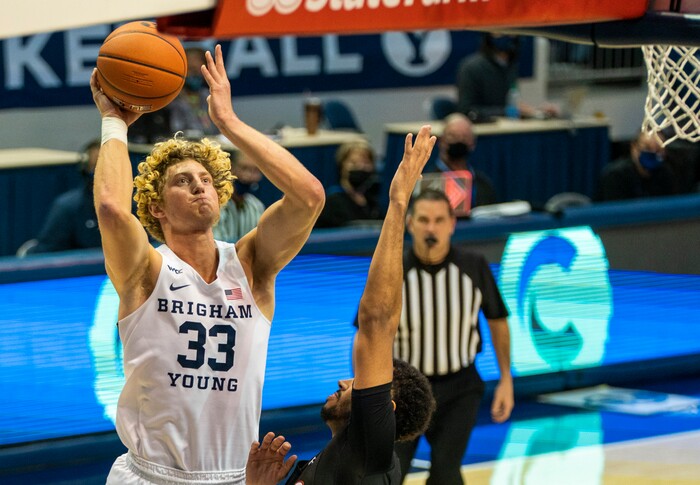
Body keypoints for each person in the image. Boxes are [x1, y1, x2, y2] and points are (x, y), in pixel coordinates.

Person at [90, 44, 325, 483]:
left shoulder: (252, 266)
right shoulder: (146, 271)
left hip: (236, 476)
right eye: (183, 181)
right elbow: (110, 208)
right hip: (151, 476)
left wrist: (229, 123)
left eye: (206, 180)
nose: (200, 187)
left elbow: (309, 196)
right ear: (156, 207)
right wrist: (114, 123)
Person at [247, 126, 439, 485]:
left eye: (359, 381)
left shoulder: (372, 453)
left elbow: (377, 319)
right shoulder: (334, 460)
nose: (343, 379)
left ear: (384, 410)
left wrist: (398, 202)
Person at [394, 188, 514, 485]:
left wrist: (506, 379)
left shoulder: (473, 266)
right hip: (404, 390)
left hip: (459, 386)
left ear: (452, 223)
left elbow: (498, 320)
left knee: (446, 473)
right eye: (423, 220)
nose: (430, 228)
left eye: (438, 220)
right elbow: (365, 334)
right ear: (410, 224)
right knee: (390, 474)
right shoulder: (392, 270)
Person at [23, 139, 102, 254]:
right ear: (85, 171)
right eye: (97, 168)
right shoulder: (68, 208)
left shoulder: (133, 206)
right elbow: (44, 256)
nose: (106, 175)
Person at [456, 33, 557, 120]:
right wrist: (507, 111)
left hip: (507, 124)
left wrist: (537, 112)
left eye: (511, 33)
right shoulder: (471, 67)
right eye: (499, 33)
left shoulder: (510, 65)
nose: (506, 36)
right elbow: (467, 110)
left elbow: (510, 101)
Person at [430, 113, 497, 208]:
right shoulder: (427, 182)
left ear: (473, 144)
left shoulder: (483, 184)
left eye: (465, 137)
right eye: (453, 136)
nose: (459, 141)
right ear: (441, 141)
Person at [314, 139, 384, 228]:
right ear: (342, 166)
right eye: (353, 163)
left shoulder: (373, 204)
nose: (360, 167)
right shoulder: (331, 203)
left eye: (366, 163)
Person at [597, 131, 679, 201]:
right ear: (634, 148)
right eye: (647, 148)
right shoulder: (615, 175)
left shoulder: (666, 174)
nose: (653, 152)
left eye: (658, 149)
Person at [167, 45, 219, 138]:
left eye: (198, 71)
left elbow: (216, 129)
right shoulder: (171, 99)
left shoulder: (209, 96)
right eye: (191, 69)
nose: (195, 75)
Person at [213, 151, 266, 242]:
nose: (249, 176)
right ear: (229, 168)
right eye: (244, 168)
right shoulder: (213, 204)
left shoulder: (256, 206)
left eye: (256, 170)